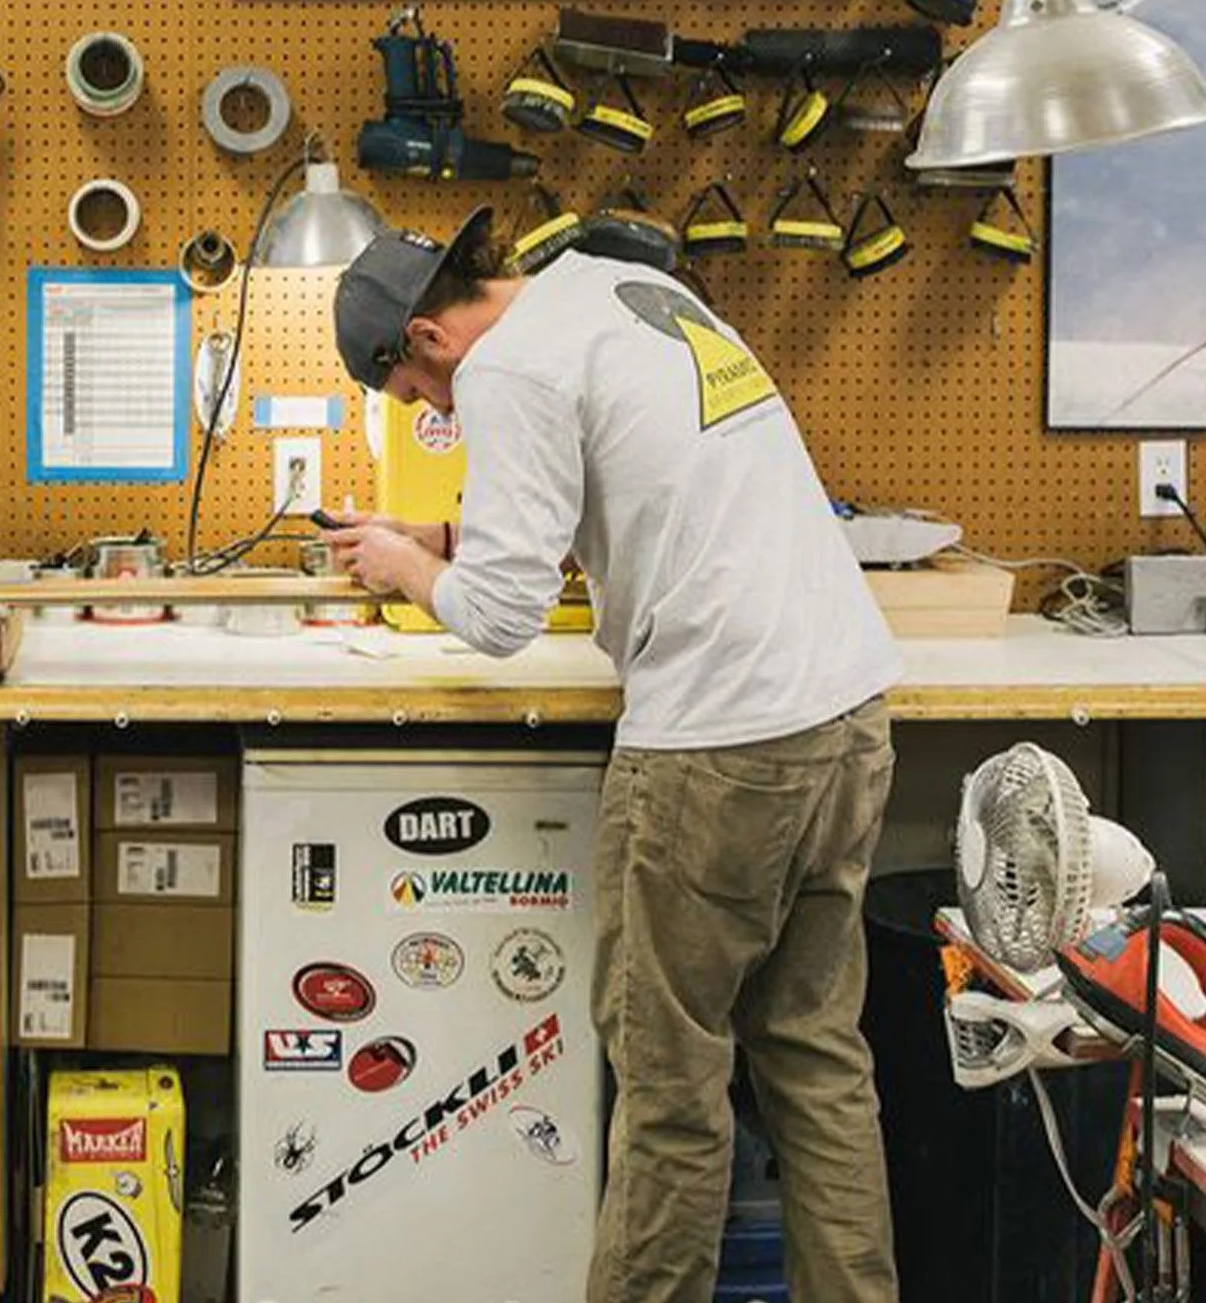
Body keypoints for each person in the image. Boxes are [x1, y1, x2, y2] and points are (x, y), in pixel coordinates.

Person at [320, 210, 902, 1303]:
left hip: (717, 748)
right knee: (817, 1058)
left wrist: (404, 565)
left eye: (413, 396)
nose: (432, 414)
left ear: (427, 343)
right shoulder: (614, 293)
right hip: (844, 716)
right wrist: (440, 534)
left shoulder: (504, 374)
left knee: (673, 1088)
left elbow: (499, 616)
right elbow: (640, 481)